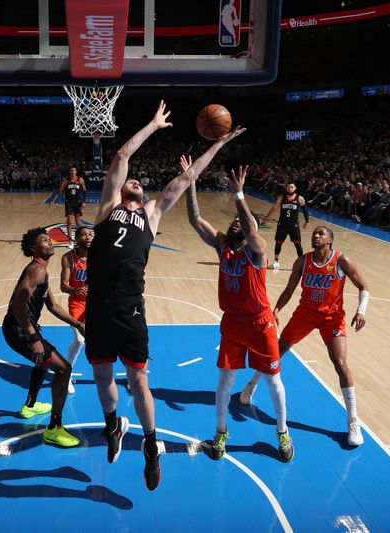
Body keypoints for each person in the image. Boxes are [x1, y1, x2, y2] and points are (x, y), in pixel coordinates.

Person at [85, 100, 245, 491]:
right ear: (121, 189)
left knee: (138, 380)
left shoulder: (152, 214)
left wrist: (218, 145)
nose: (136, 181)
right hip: (98, 307)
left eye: (140, 182)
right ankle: (113, 427)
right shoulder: (106, 209)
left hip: (129, 307)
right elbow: (122, 154)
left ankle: (151, 447)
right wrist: (154, 125)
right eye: (132, 182)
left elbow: (189, 176)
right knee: (102, 375)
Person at [185, 163, 295, 463]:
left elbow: (249, 227)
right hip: (232, 322)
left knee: (273, 380)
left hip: (260, 323)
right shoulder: (224, 247)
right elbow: (195, 219)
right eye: (233, 221)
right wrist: (191, 182)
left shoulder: (257, 250)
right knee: (224, 381)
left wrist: (239, 196)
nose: (235, 223)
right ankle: (220, 432)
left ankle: (282, 432)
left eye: (240, 222)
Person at [239, 226, 370, 446]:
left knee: (340, 363)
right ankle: (251, 385)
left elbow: (363, 286)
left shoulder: (341, 261)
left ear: (330, 240)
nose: (316, 236)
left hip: (332, 318)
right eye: (314, 234)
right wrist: (277, 309)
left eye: (321, 234)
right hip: (305, 315)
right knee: (275, 352)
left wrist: (361, 310)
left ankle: (352, 420)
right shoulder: (303, 261)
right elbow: (290, 288)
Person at [2, 227, 85, 447]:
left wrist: (77, 323)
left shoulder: (43, 271)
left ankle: (30, 406)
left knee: (42, 361)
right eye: (44, 240)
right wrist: (33, 338)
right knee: (63, 368)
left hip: (22, 328)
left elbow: (53, 305)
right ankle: (54, 429)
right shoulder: (37, 270)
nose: (50, 242)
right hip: (19, 330)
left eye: (50, 239)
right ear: (33, 248)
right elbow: (17, 305)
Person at [59, 225, 92, 394]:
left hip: (96, 302)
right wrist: (75, 290)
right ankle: (66, 374)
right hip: (77, 303)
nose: (88, 237)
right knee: (80, 340)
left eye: (90, 234)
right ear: (77, 239)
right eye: (84, 235)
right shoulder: (68, 257)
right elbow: (63, 286)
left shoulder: (99, 255)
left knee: (112, 335)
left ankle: (133, 374)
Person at [262, 182, 309, 270]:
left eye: (292, 187)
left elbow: (305, 210)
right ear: (286, 188)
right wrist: (266, 217)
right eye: (288, 187)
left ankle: (302, 264)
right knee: (278, 243)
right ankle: (276, 262)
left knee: (297, 244)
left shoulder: (300, 198)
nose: (290, 189)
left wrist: (307, 222)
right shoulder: (281, 197)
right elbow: (274, 207)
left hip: (294, 225)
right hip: (282, 224)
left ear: (295, 188)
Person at [50, 166, 86, 249]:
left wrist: (84, 202)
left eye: (74, 170)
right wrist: (53, 201)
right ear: (69, 172)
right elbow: (59, 191)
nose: (73, 172)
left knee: (78, 223)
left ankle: (80, 239)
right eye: (71, 170)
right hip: (69, 202)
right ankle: (70, 240)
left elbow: (84, 191)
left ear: (76, 171)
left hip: (77, 202)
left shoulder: (80, 180)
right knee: (69, 222)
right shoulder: (66, 181)